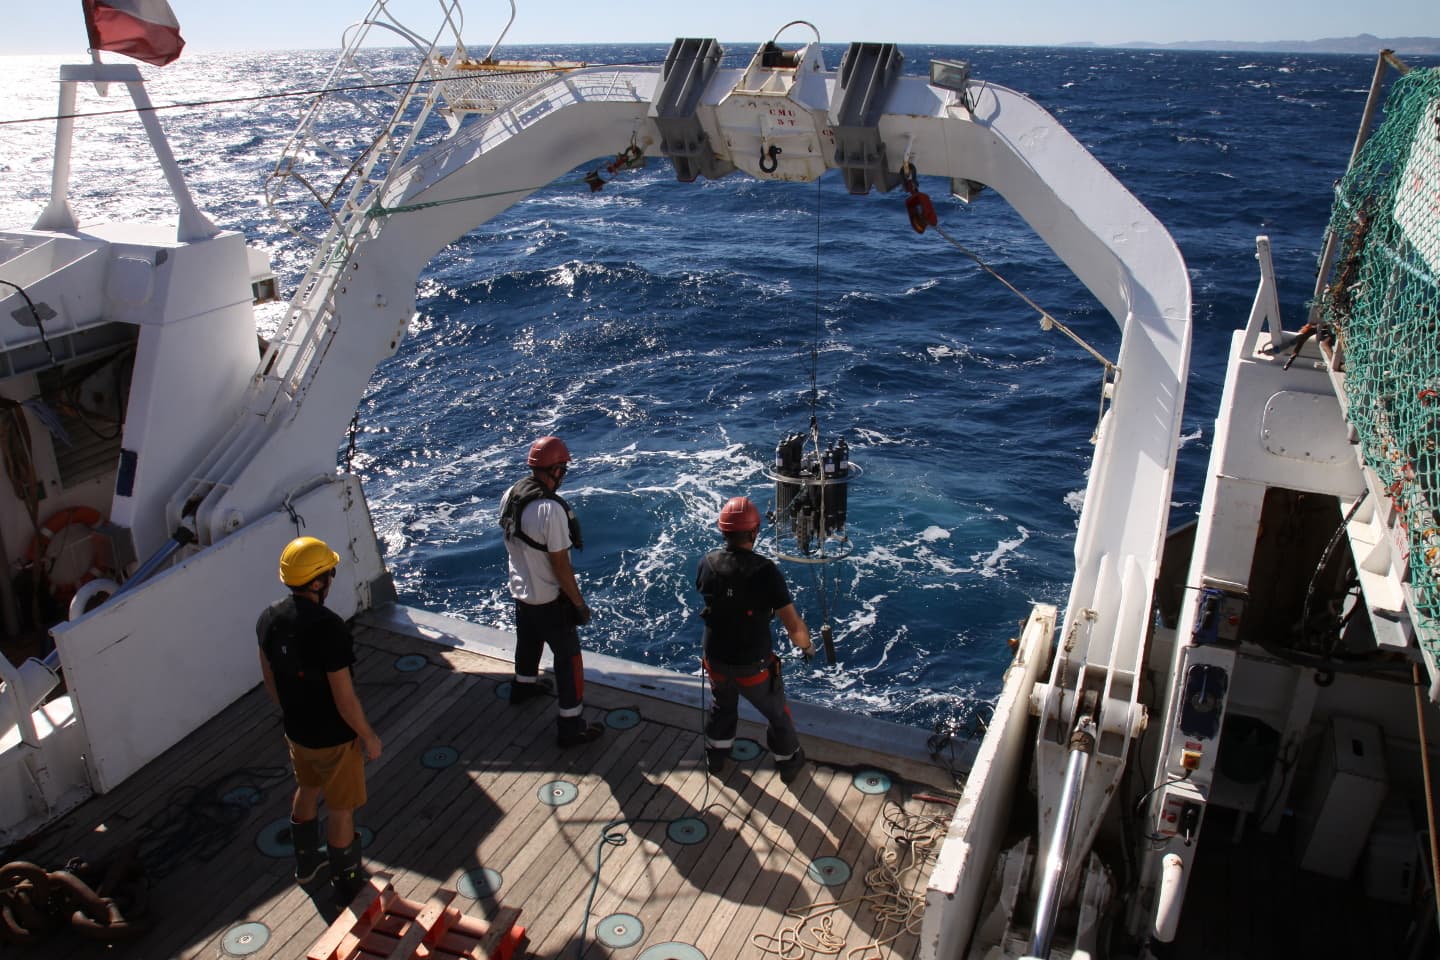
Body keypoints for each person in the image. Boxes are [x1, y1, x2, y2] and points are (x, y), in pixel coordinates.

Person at [257, 536, 382, 904]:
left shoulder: (268, 618)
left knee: (308, 788)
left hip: (297, 731)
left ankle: (307, 865)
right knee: (342, 809)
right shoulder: (329, 628)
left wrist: (292, 712)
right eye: (329, 573)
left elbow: (269, 677)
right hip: (334, 738)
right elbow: (344, 698)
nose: (331, 579)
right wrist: (368, 737)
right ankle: (347, 884)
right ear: (316, 582)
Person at [695, 496, 814, 784]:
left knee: (722, 705)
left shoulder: (707, 563)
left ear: (723, 530)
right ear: (754, 531)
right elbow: (793, 625)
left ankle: (716, 757)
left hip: (716, 659)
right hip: (753, 665)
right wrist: (806, 646)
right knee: (777, 713)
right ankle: (788, 762)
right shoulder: (765, 571)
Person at [499, 435, 604, 747]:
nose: (564, 475)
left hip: (521, 591)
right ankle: (571, 726)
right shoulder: (550, 510)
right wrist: (578, 603)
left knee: (528, 641)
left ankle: (523, 687)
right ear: (555, 470)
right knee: (569, 659)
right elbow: (560, 564)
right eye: (563, 470)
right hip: (549, 599)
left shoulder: (512, 493)